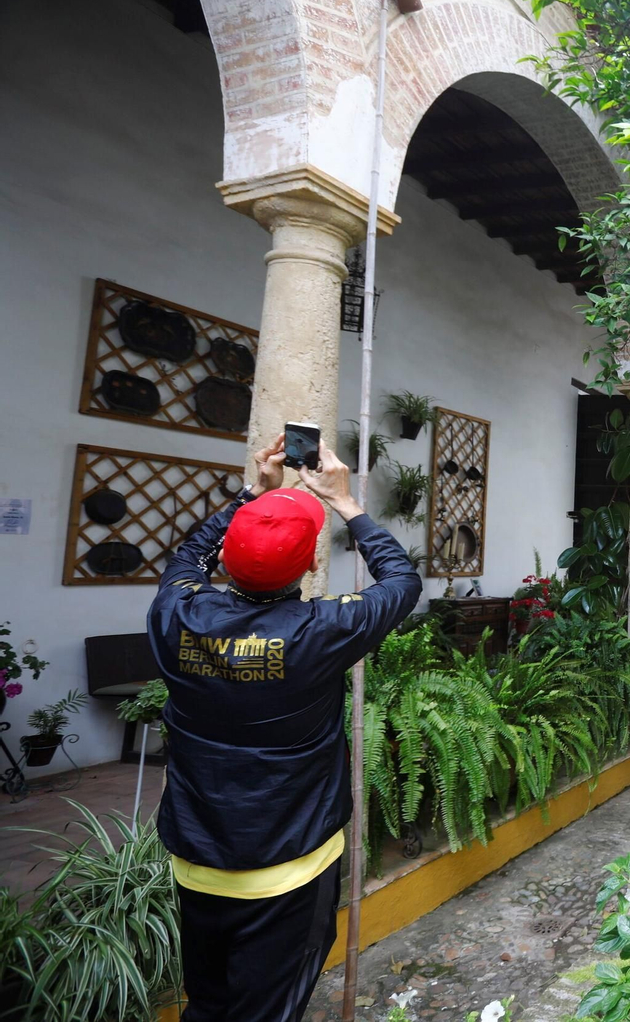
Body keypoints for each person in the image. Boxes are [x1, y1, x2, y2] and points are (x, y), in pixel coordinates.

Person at [148, 433, 422, 1022]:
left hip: (197, 862)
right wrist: (348, 503)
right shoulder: (318, 633)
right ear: (311, 563)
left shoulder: (176, 613)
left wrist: (251, 493)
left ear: (226, 561)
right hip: (289, 867)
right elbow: (401, 583)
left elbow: (186, 558)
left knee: (208, 1002)